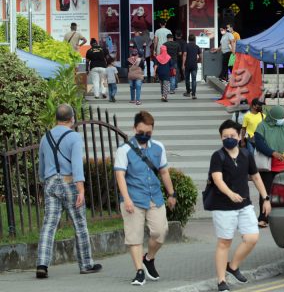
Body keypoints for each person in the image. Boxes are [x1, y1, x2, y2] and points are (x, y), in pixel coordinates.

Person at [36, 104, 103, 279]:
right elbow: (77, 166)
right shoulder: (74, 137)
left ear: (56, 118)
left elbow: (41, 167)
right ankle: (86, 264)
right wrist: (80, 189)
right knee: (79, 225)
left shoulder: (45, 137)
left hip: (51, 183)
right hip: (69, 183)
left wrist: (45, 183)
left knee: (49, 225)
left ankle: (42, 264)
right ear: (72, 118)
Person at [114, 111, 177, 286]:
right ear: (134, 128)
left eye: (148, 133)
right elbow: (120, 175)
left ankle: (149, 258)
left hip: (155, 197)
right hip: (133, 198)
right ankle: (139, 271)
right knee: (134, 237)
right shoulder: (124, 150)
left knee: (160, 232)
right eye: (141, 132)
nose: (144, 136)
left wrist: (172, 194)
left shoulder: (158, 147)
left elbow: (164, 171)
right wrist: (126, 199)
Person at [209, 120, 271, 292]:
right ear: (221, 138)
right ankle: (221, 281)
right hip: (222, 206)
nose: (229, 139)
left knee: (252, 238)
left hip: (244, 205)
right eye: (225, 136)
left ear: (240, 136)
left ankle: (233, 266)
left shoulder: (246, 155)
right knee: (224, 242)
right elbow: (217, 179)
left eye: (232, 136)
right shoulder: (218, 156)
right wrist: (230, 194)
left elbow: (256, 177)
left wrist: (266, 198)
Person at [254, 106, 284, 228]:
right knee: (266, 193)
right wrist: (273, 153)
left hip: (283, 166)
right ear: (273, 118)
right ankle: (264, 218)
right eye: (281, 117)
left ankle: (281, 217)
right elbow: (259, 144)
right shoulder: (262, 126)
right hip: (268, 166)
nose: (283, 119)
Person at [182, 34, 201, 100]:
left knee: (187, 79)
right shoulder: (197, 46)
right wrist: (198, 61)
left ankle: (188, 92)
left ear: (188, 39)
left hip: (187, 65)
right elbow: (200, 55)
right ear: (194, 39)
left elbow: (184, 54)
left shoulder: (186, 46)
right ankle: (193, 94)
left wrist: (183, 64)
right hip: (194, 65)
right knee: (194, 79)